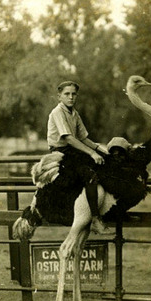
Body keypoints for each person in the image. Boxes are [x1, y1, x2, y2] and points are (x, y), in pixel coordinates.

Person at [47, 80, 109, 234]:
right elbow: (68, 138)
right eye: (66, 94)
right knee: (89, 174)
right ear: (59, 96)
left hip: (72, 149)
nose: (71, 97)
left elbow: (82, 137)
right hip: (60, 151)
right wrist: (92, 153)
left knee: (104, 163)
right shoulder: (57, 112)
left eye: (74, 94)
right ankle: (94, 218)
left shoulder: (74, 113)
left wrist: (99, 149)